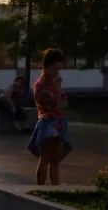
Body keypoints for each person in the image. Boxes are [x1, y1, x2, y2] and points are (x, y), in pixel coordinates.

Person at [27, 48, 73, 186]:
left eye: (58, 69)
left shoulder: (53, 83)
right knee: (46, 157)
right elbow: (53, 103)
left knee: (54, 159)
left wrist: (59, 99)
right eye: (54, 69)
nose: (56, 73)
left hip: (57, 124)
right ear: (46, 67)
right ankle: (43, 185)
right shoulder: (41, 85)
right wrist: (58, 93)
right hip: (48, 124)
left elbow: (64, 103)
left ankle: (55, 185)